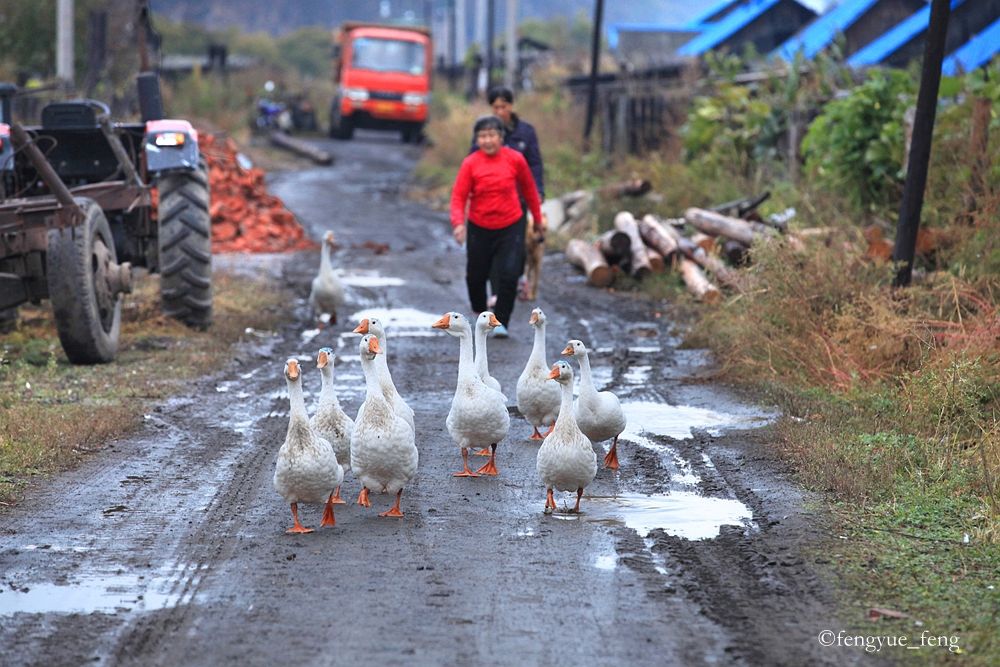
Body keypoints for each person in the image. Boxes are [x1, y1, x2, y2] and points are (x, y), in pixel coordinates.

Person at [451, 115, 543, 339]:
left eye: (492, 135)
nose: (488, 140)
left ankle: (501, 320)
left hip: (510, 223)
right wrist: (458, 224)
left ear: (501, 138)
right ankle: (482, 314)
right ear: (477, 139)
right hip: (479, 225)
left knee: (510, 273)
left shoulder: (516, 159)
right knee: (475, 276)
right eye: (483, 136)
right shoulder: (470, 163)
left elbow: (530, 191)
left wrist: (538, 220)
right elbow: (458, 196)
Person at [470, 86, 546, 302]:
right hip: (490, 200)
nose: (499, 111)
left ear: (511, 106)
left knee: (518, 246)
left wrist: (538, 191)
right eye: (495, 107)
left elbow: (535, 164)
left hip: (518, 200)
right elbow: (472, 159)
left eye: (503, 107)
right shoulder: (484, 131)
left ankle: (516, 277)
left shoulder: (526, 132)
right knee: (495, 249)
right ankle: (496, 292)